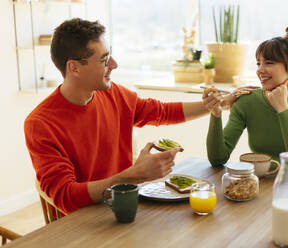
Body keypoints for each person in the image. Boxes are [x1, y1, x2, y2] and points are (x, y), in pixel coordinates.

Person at [24, 18, 224, 214]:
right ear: (74, 68)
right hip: (81, 225)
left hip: (124, 210)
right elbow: (66, 197)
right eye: (104, 59)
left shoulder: (114, 94)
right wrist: (133, 176)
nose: (114, 64)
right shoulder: (41, 124)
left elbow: (160, 112)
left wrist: (212, 104)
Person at [206, 27, 288, 177]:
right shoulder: (247, 100)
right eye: (258, 63)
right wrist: (216, 114)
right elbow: (218, 159)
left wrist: (283, 109)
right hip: (257, 185)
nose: (260, 70)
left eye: (269, 63)